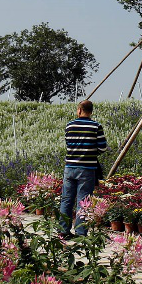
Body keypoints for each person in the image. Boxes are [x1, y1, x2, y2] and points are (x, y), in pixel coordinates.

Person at [59, 99, 107, 238]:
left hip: (70, 167)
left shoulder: (69, 126)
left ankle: (63, 230)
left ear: (79, 110)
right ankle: (80, 232)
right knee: (84, 201)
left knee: (66, 199)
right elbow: (102, 147)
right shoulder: (96, 126)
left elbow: (68, 144)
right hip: (87, 168)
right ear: (91, 111)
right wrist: (91, 152)